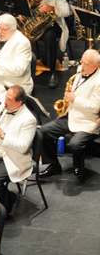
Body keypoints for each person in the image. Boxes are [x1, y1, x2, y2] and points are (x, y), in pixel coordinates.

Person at [39, 49, 100, 183]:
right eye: (81, 62)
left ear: (96, 66)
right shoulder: (80, 73)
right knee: (43, 132)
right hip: (72, 115)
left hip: (87, 121)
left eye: (86, 64)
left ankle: (79, 165)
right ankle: (54, 165)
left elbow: (95, 107)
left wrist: (75, 99)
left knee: (75, 145)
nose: (82, 66)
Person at [0, 85, 36, 211]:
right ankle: (6, 196)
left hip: (11, 159)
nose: (5, 101)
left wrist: (3, 135)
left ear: (19, 102)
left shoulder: (28, 120)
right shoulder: (2, 107)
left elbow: (23, 147)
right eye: (6, 97)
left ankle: (5, 205)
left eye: (9, 100)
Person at [16, 0, 71, 89]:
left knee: (50, 37)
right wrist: (21, 9)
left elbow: (66, 11)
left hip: (50, 24)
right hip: (29, 21)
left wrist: (52, 8)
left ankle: (52, 72)